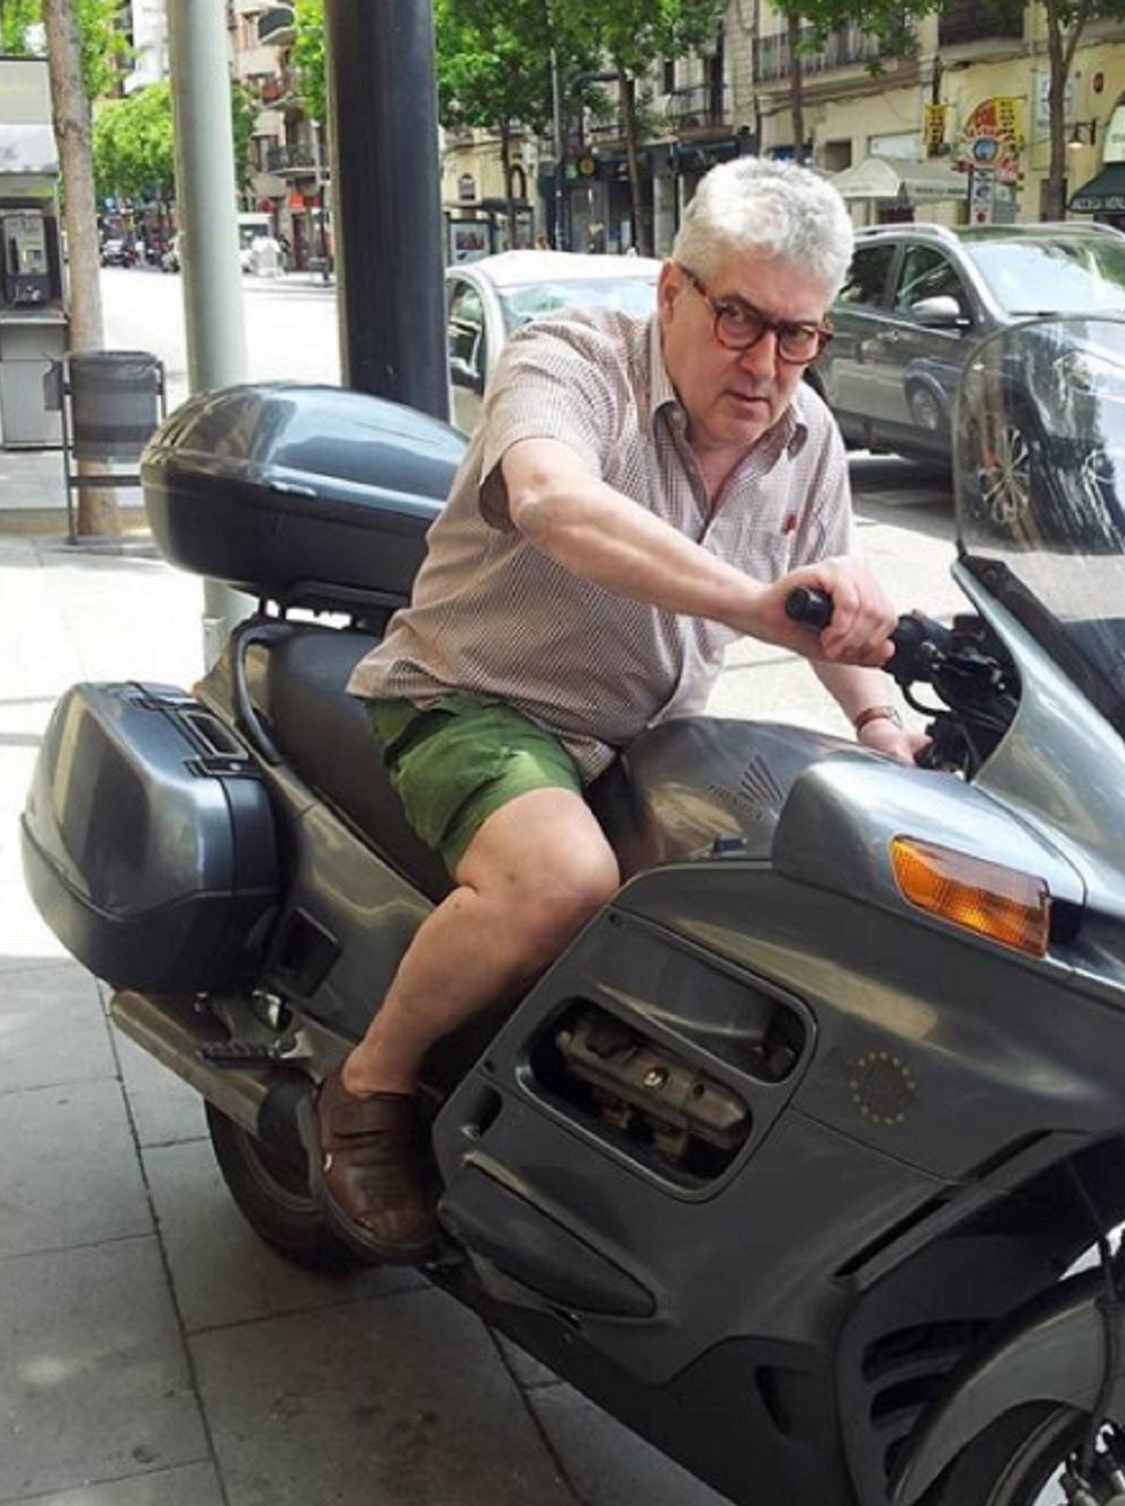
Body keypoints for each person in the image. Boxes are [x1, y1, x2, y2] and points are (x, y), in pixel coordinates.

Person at [307, 158, 927, 1263]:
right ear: (674, 290)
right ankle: (368, 1085)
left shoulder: (808, 436)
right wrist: (750, 602)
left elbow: (828, 597)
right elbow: (553, 500)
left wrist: (887, 726)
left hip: (653, 741)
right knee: (563, 884)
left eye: (799, 336)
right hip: (479, 703)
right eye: (741, 318)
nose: (766, 363)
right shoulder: (569, 360)